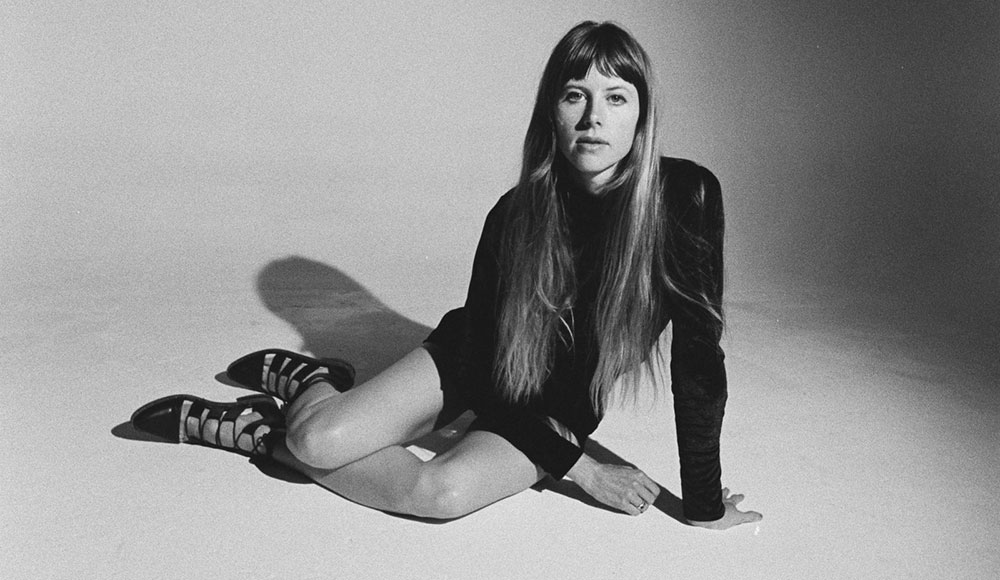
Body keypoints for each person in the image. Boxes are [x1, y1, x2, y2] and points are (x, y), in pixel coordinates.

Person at [131, 20, 762, 529]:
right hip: (477, 362)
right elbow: (490, 368)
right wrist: (583, 471)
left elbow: (699, 360)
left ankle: (262, 432)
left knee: (442, 493)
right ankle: (307, 392)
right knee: (319, 440)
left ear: (641, 116)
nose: (594, 117)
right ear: (552, 112)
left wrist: (701, 505)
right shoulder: (515, 215)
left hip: (558, 406)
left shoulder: (687, 198)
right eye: (575, 95)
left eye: (615, 98)